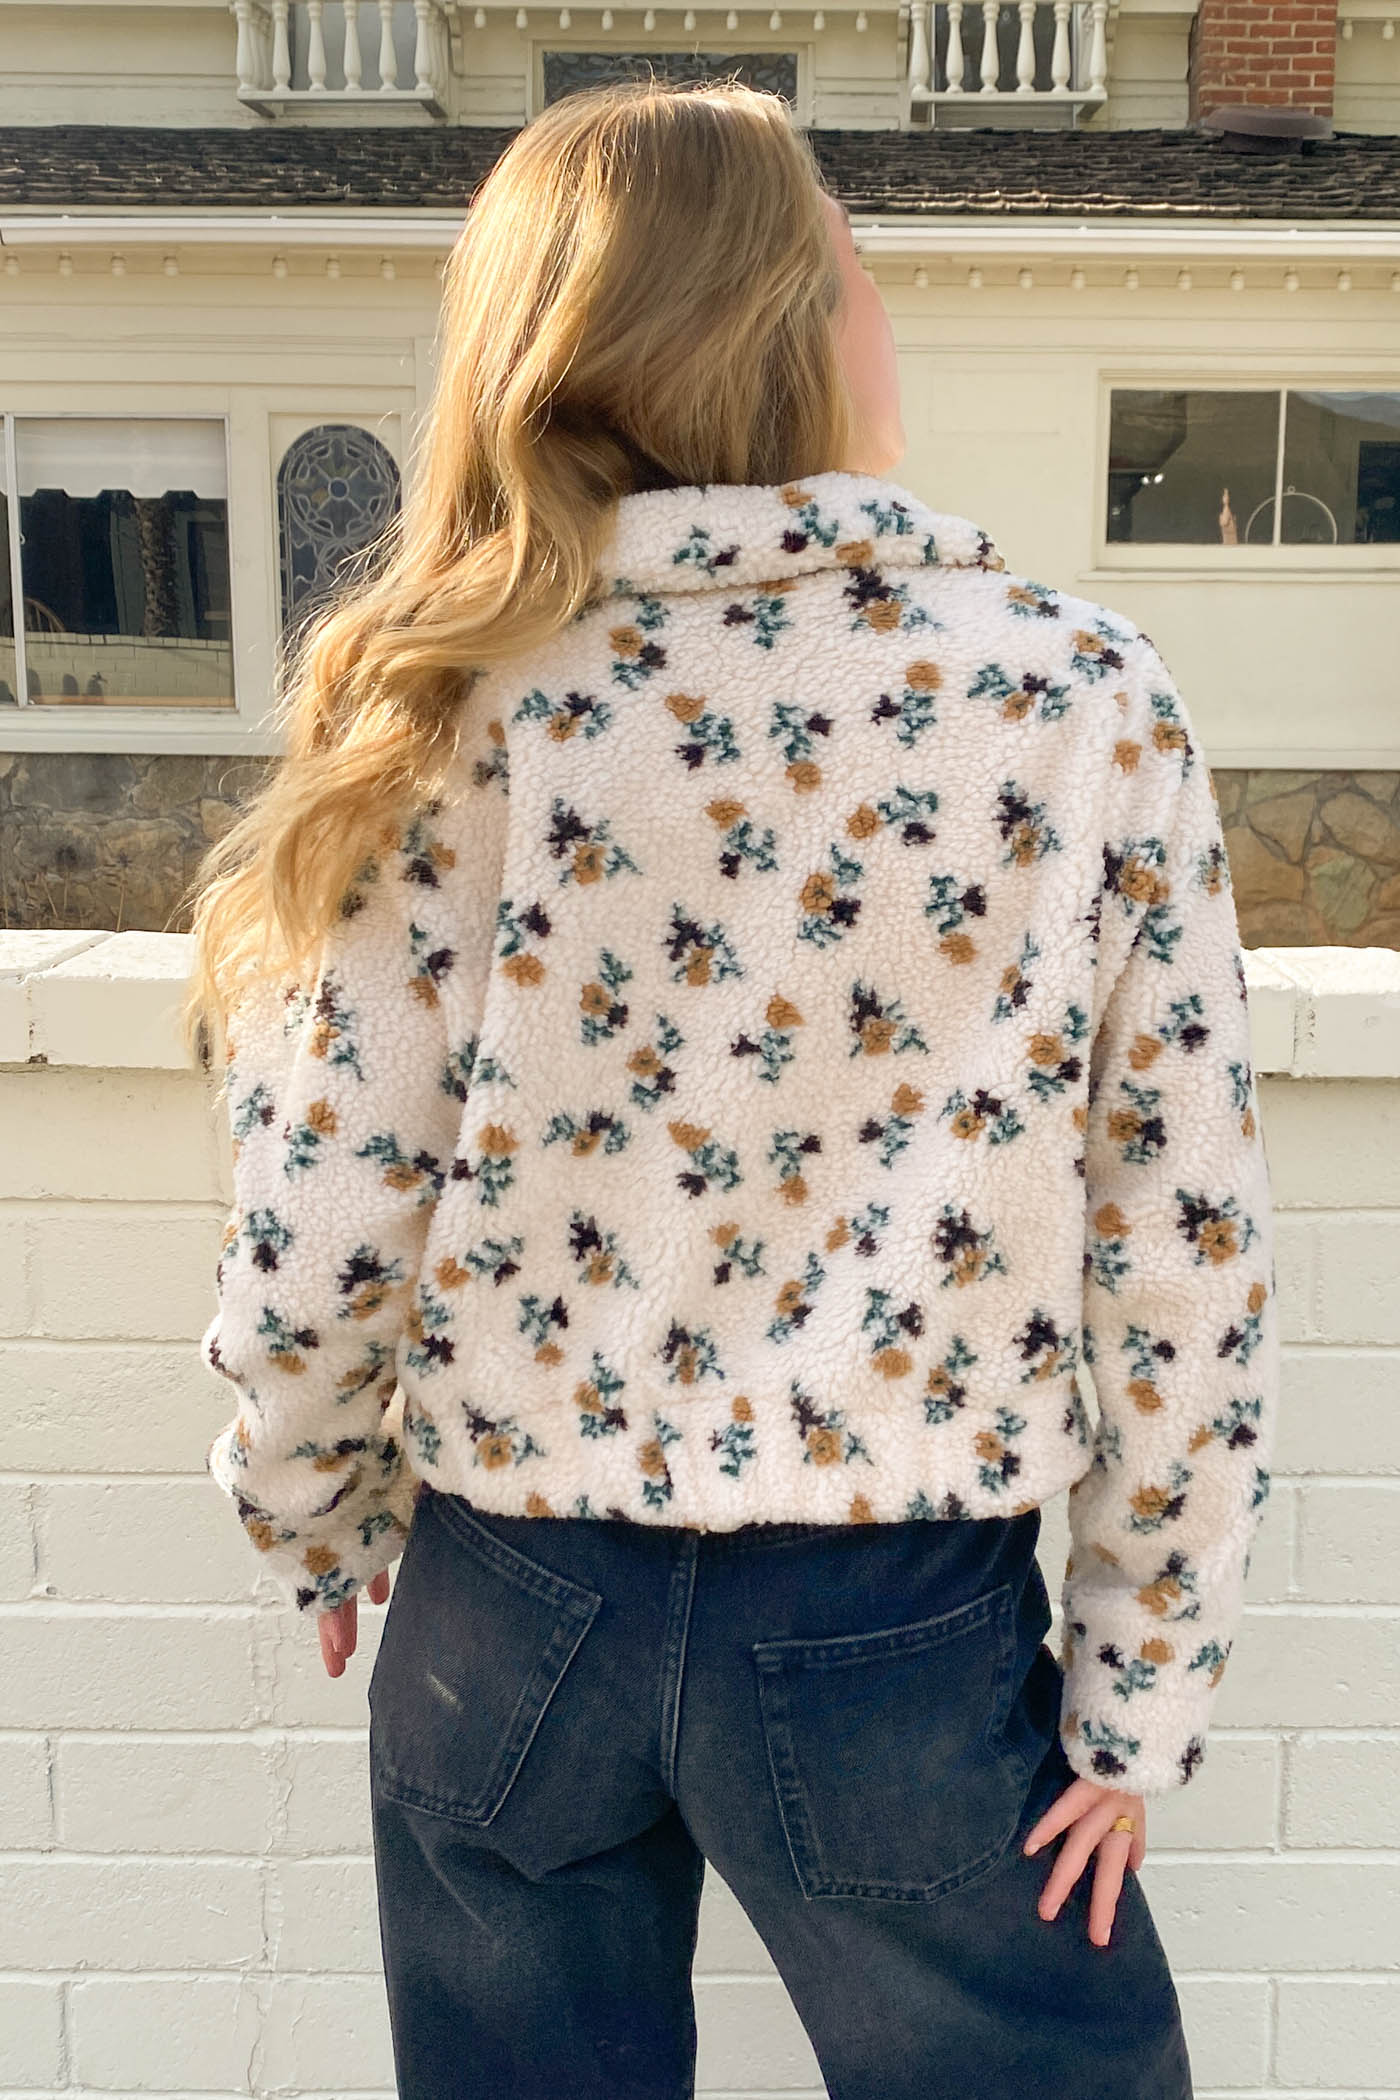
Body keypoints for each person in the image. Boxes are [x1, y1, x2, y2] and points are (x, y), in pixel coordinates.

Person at [182, 75, 1279, 2100]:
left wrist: (313, 1506)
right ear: (781, 325)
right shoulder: (1071, 696)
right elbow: (1179, 1235)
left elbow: (325, 1192)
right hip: (892, 1616)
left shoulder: (450, 695)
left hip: (505, 1600)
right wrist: (1138, 1684)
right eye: (850, 263)